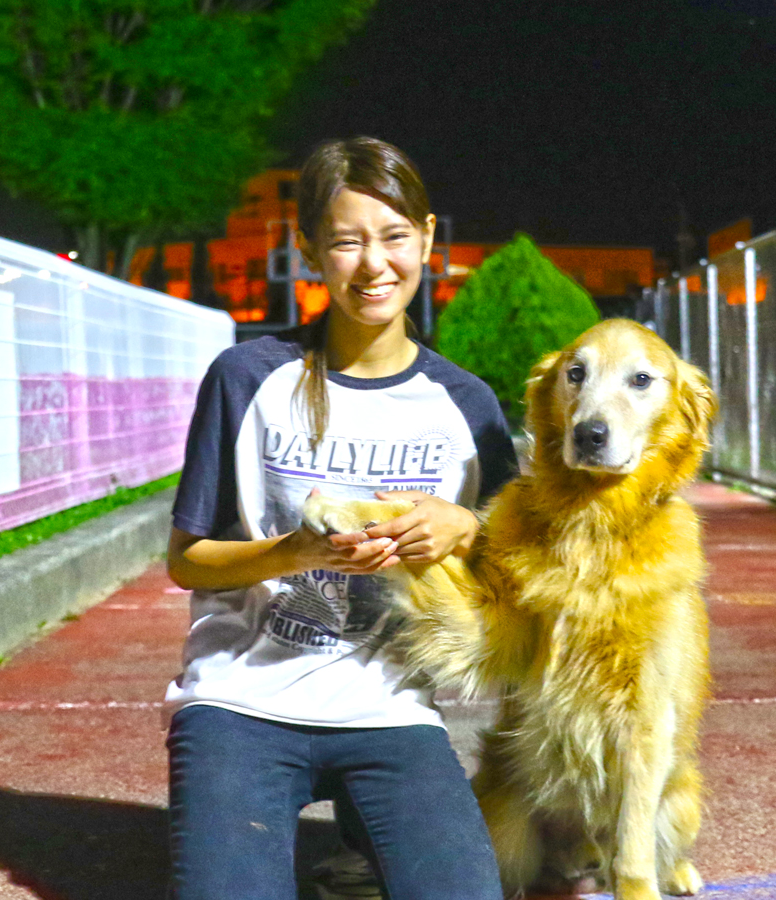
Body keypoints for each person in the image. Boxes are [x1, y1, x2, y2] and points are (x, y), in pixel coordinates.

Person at [164, 136, 517, 900]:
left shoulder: (468, 407)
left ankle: (371, 840)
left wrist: (467, 528)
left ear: (426, 238)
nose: (374, 263)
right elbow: (187, 559)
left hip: (391, 708)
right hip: (242, 699)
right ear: (309, 249)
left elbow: (523, 572)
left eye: (394, 237)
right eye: (347, 241)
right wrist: (292, 550)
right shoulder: (247, 377)